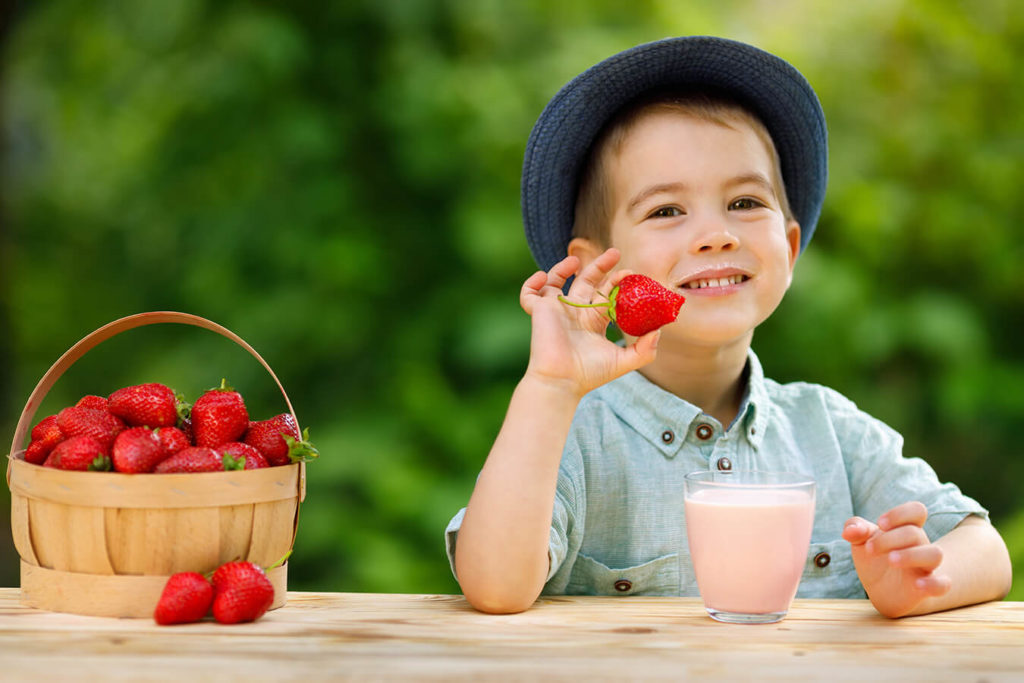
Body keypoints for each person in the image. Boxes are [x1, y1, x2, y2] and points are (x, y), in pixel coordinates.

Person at [444, 36, 1012, 618]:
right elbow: (493, 586)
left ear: (789, 249)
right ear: (597, 269)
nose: (717, 234)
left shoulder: (830, 433)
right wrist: (550, 387)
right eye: (666, 210)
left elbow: (985, 549)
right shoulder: (568, 433)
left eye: (744, 201)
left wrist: (917, 581)